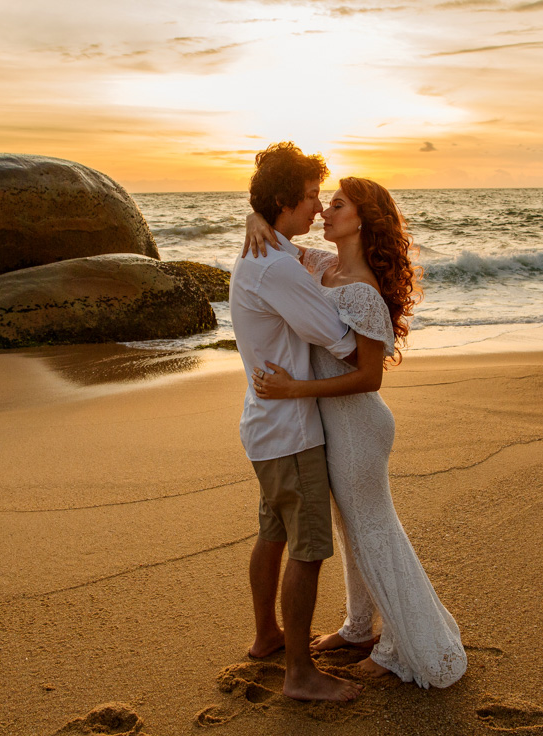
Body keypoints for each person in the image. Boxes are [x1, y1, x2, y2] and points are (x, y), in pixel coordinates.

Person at [245, 176, 468, 689]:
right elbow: (278, 239)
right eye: (324, 203)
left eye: (338, 205)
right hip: (334, 423)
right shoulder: (323, 267)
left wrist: (293, 389)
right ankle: (358, 626)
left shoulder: (362, 290)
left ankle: (398, 648)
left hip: (358, 426)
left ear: (362, 219)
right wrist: (254, 216)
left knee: (372, 529)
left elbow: (369, 377)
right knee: (351, 528)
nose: (324, 211)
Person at [228, 142, 364, 703]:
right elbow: (336, 334)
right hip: (292, 431)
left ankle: (267, 637)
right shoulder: (277, 266)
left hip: (265, 427)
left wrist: (254, 216)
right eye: (310, 197)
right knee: (308, 547)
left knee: (273, 533)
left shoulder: (263, 253)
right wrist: (361, 315)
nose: (316, 209)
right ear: (285, 200)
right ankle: (300, 675)